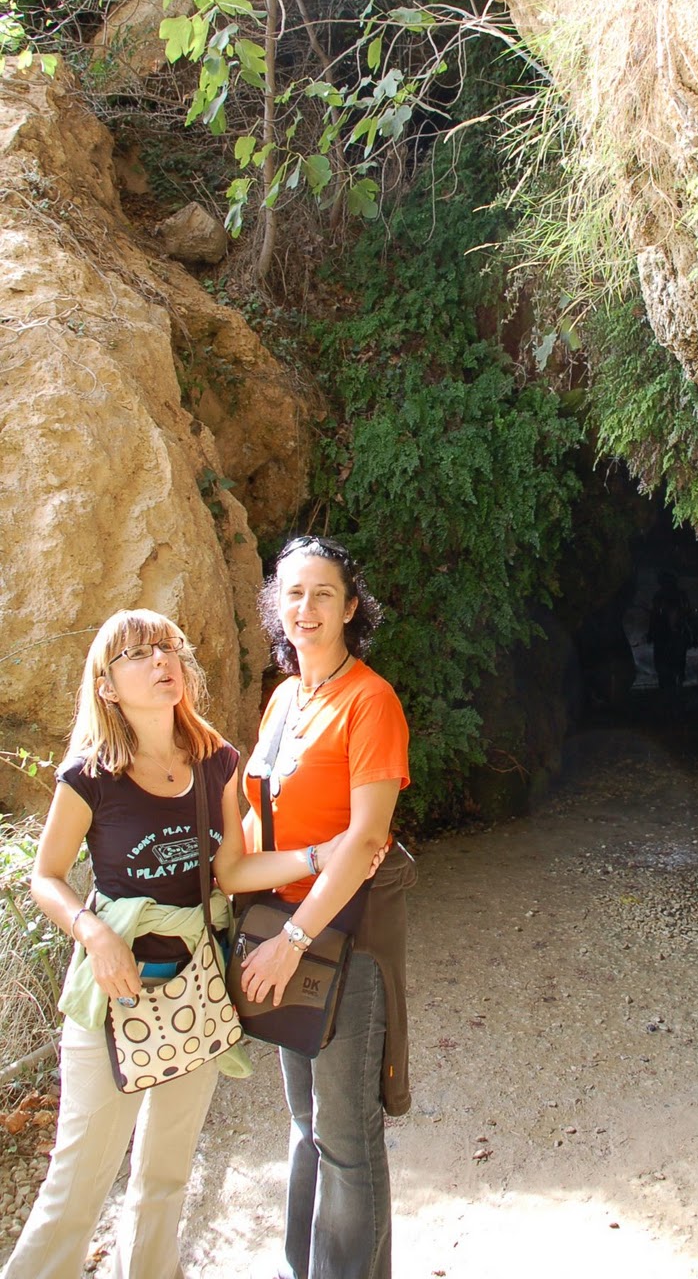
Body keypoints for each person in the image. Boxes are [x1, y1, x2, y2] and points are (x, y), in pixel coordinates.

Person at [3, 609, 336, 1279]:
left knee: (164, 1179)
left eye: (169, 648)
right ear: (107, 685)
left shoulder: (215, 762)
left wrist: (319, 856)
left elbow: (233, 871)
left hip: (194, 990)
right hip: (113, 994)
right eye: (139, 654)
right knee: (77, 1186)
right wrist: (93, 932)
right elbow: (46, 878)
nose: (162, 662)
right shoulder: (89, 777)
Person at [239, 535, 413, 1279]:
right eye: (293, 593)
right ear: (277, 606)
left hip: (343, 933)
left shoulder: (369, 701)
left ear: (350, 608)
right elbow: (258, 830)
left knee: (345, 1135)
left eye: (322, 594)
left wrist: (295, 938)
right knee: (305, 1125)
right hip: (282, 924)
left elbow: (367, 835)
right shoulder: (284, 698)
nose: (304, 607)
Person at [647, 571, 696, 693]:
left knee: (671, 666)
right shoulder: (665, 596)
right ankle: (672, 690)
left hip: (671, 636)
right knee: (670, 667)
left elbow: (688, 616)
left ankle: (672, 690)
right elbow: (655, 616)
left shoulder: (667, 596)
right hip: (668, 636)